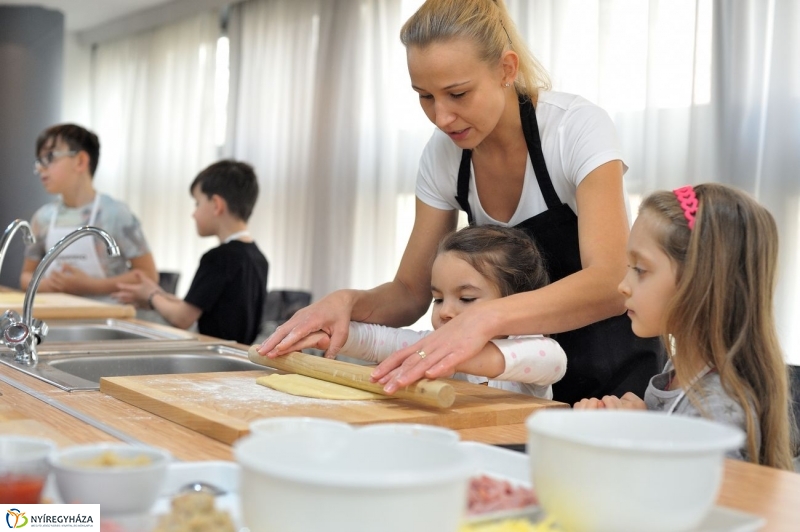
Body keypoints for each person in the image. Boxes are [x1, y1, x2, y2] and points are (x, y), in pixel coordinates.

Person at [258, 0, 663, 405]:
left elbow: (612, 280)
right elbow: (410, 291)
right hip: (513, 394)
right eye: (425, 96)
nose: (441, 117)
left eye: (457, 93)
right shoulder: (444, 156)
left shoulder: (574, 128)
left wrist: (484, 319)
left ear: (506, 69)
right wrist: (347, 303)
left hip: (610, 380)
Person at [574, 184, 795, 470]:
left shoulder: (719, 411)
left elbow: (704, 505)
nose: (623, 286)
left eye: (640, 270)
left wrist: (637, 436)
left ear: (701, 283)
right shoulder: (679, 372)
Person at [281, 225, 567, 399]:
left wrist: (456, 359)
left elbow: (554, 360)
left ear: (515, 301)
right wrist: (331, 336)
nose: (445, 312)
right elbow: (381, 342)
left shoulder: (532, 348)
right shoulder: (431, 347)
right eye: (438, 299)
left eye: (466, 298)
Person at [113, 160, 269, 345]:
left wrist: (151, 296)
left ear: (217, 205)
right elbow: (198, 306)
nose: (193, 214)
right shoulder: (258, 258)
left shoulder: (219, 258)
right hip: (240, 357)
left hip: (216, 359)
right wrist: (158, 293)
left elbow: (182, 318)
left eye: (197, 203)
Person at [21, 123, 158, 298]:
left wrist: (92, 286)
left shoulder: (115, 214)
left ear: (80, 161)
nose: (40, 168)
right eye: (39, 161)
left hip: (109, 317)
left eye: (49, 157)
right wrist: (54, 285)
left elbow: (148, 275)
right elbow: (26, 277)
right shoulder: (42, 218)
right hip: (58, 316)